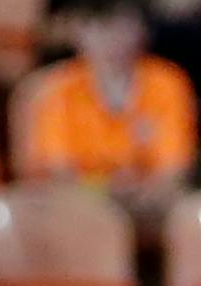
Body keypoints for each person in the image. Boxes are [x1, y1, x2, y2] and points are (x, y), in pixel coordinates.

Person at [18, 0, 197, 243]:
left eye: (124, 25)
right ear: (78, 32)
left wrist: (143, 194)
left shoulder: (169, 83)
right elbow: (58, 172)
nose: (114, 38)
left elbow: (173, 168)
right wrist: (107, 192)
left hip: (151, 207)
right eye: (100, 26)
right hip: (77, 207)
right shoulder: (55, 89)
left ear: (143, 30)